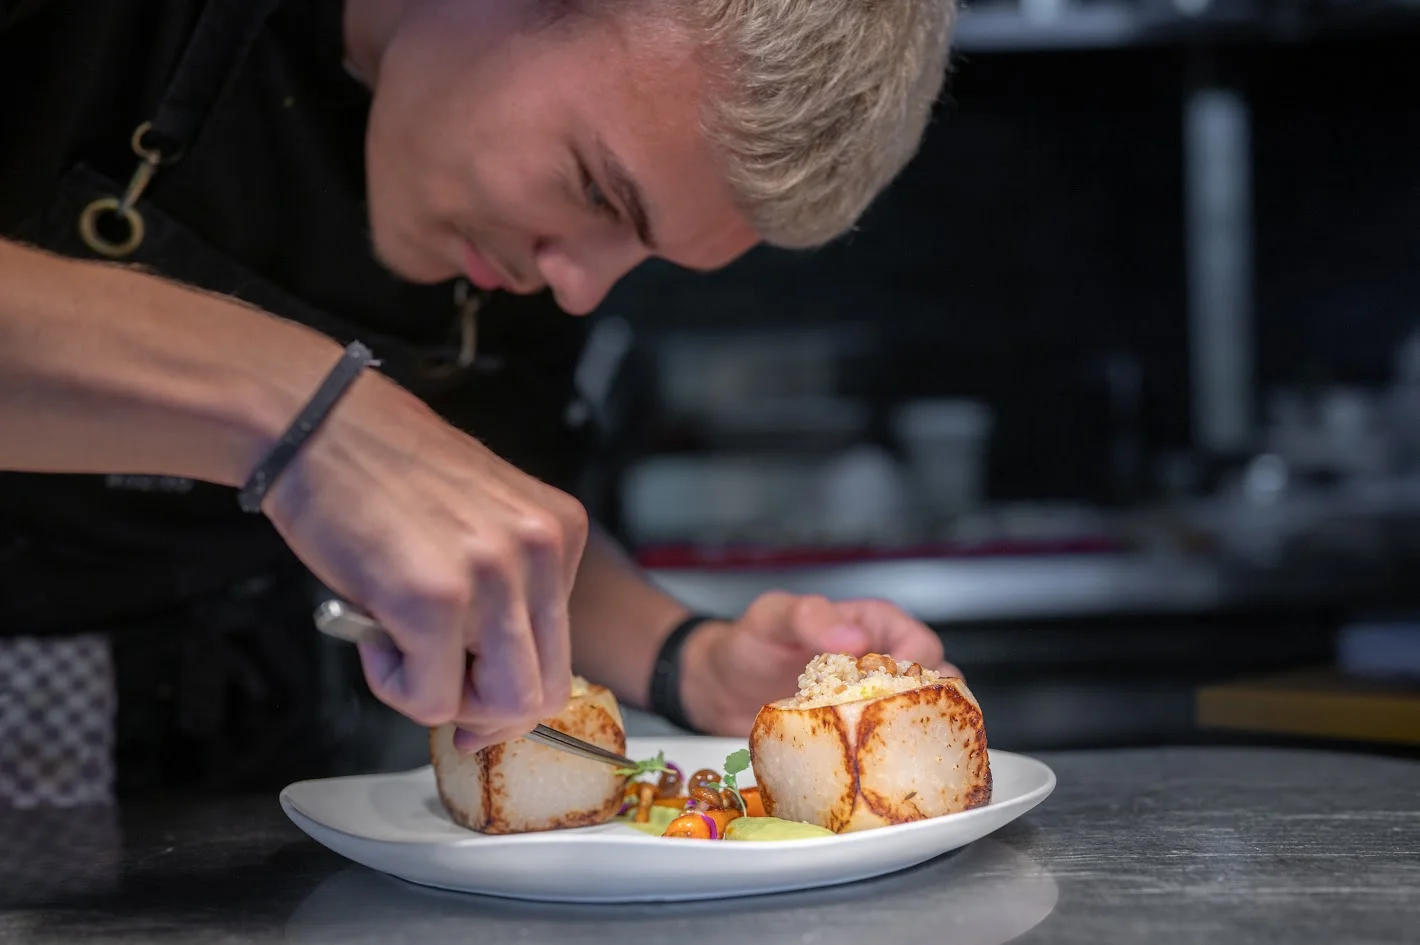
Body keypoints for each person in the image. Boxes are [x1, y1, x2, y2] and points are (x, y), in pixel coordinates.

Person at [0, 0, 960, 806]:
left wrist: (692, 661)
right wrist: (301, 411)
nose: (578, 288)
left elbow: (492, 524)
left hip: (232, 737)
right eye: (597, 190)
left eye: (642, 255)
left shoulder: (524, 242)